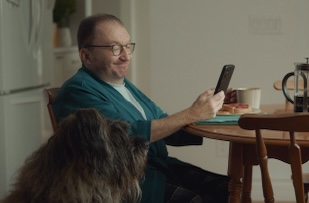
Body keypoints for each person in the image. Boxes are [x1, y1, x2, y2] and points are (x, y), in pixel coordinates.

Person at [53, 13, 236, 203]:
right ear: (86, 56)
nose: (126, 56)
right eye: (115, 48)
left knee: (227, 190)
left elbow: (165, 126)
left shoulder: (124, 86)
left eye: (127, 46)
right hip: (123, 182)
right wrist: (191, 113)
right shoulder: (78, 91)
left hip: (157, 169)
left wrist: (211, 110)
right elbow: (125, 136)